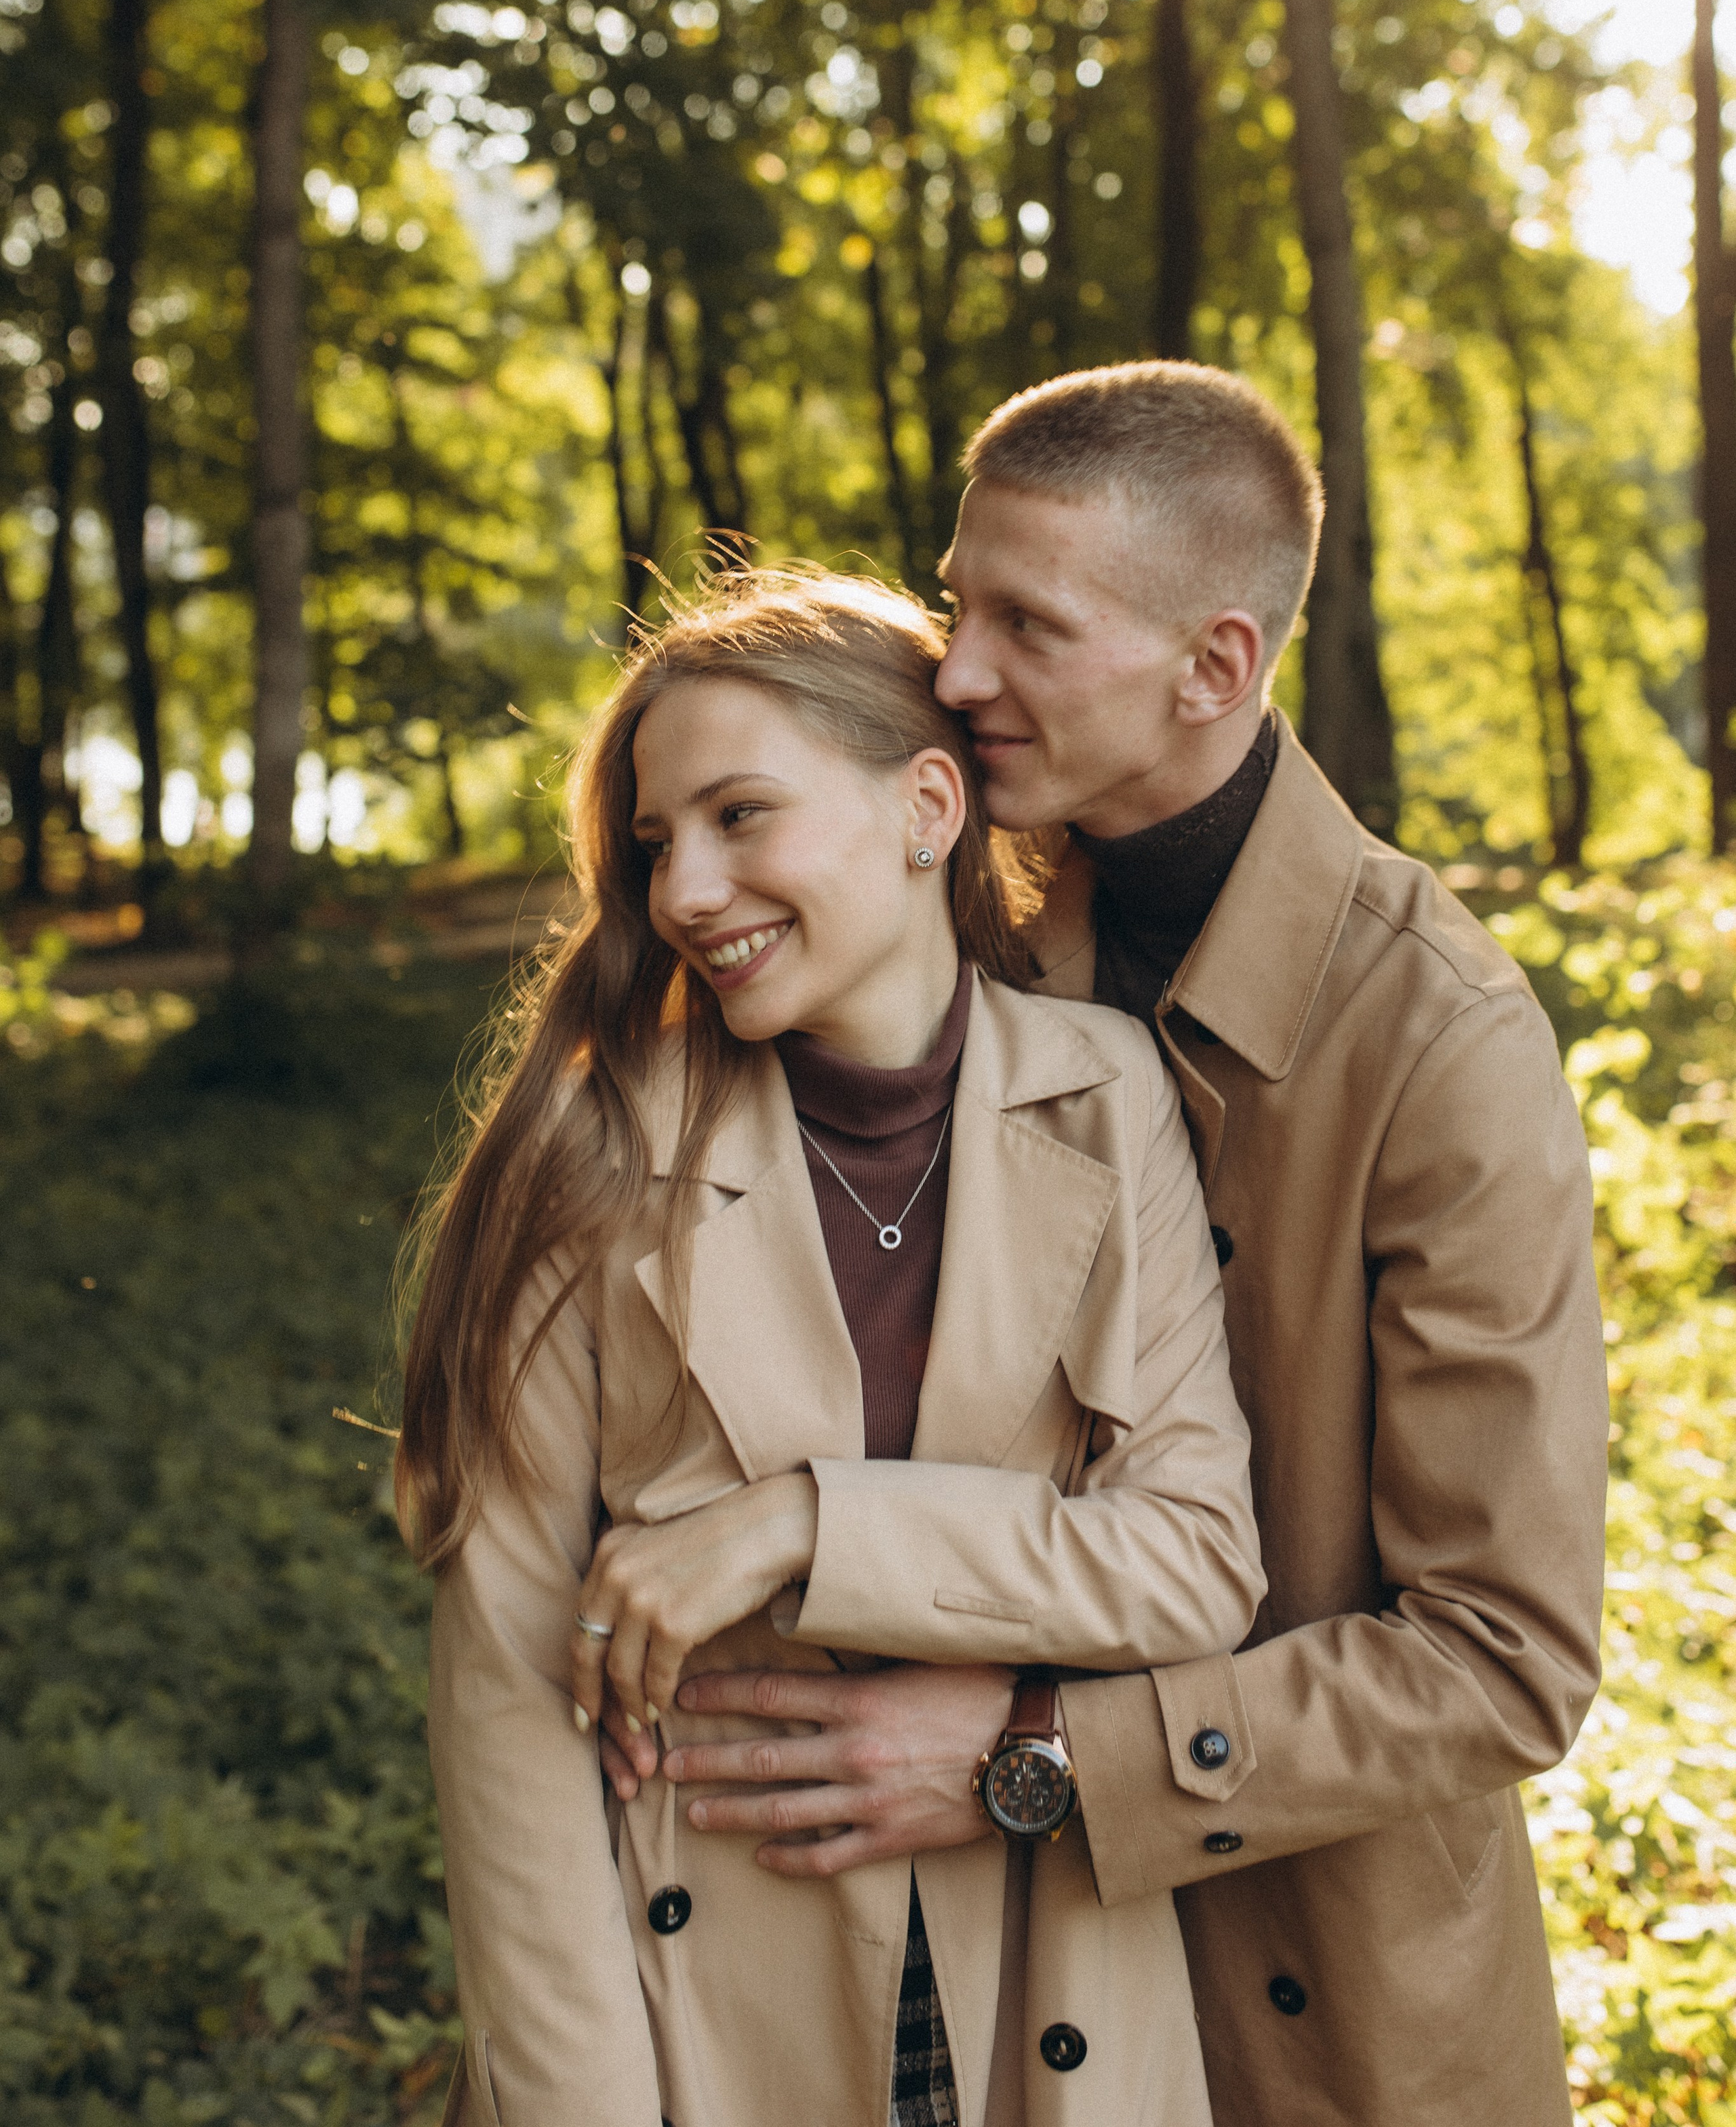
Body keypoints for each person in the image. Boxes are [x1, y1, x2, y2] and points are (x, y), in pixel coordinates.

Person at [606, 366, 1609, 2127]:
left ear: (1213, 668)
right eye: (954, 595)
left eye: (1029, 624)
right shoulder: (950, 922)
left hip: (1328, 1986)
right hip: (966, 1980)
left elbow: (1505, 1655)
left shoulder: (1439, 1040)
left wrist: (1037, 1756)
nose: (958, 668)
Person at [397, 565, 1266, 2127]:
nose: (682, 891)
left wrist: (803, 1523)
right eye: (658, 843)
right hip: (692, 2031)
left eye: (741, 814)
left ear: (928, 805)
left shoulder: (1109, 1092)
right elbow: (506, 1704)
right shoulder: (592, 1152)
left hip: (1046, 1992)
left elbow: (1194, 1561)